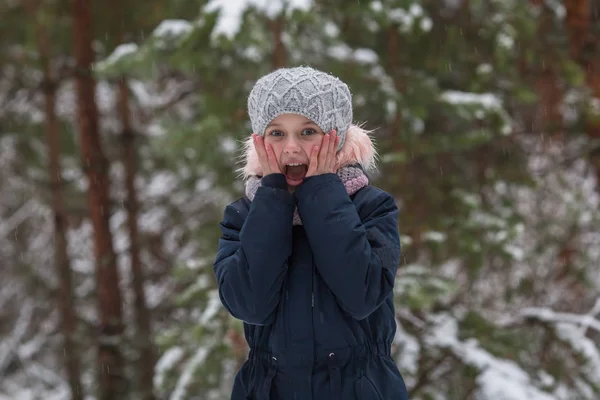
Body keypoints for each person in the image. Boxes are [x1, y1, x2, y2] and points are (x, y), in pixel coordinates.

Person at [213, 66, 408, 400]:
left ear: (338, 137)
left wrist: (321, 192)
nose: (291, 148)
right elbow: (249, 304)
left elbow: (361, 294)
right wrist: (273, 199)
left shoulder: (372, 208)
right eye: (276, 133)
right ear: (259, 141)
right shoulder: (243, 216)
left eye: (308, 132)